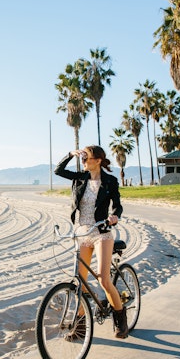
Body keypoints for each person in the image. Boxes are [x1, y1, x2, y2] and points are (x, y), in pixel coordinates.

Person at [54, 145, 129, 339]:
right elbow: (58, 170)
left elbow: (117, 205)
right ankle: (80, 327)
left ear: (98, 160)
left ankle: (121, 319)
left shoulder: (110, 181)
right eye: (83, 158)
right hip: (82, 232)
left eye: (87, 158)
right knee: (80, 282)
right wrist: (71, 154)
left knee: (103, 279)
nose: (84, 161)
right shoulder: (80, 178)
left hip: (101, 232)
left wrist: (114, 216)